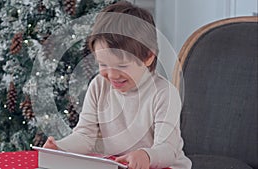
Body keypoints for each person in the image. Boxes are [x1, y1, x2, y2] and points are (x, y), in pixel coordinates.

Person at [43, 1, 192, 169]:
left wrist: (146, 155)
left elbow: (168, 150)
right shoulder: (99, 86)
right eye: (103, 64)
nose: (112, 75)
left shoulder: (164, 94)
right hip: (115, 164)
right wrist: (60, 147)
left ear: (148, 57)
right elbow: (85, 136)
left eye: (122, 66)